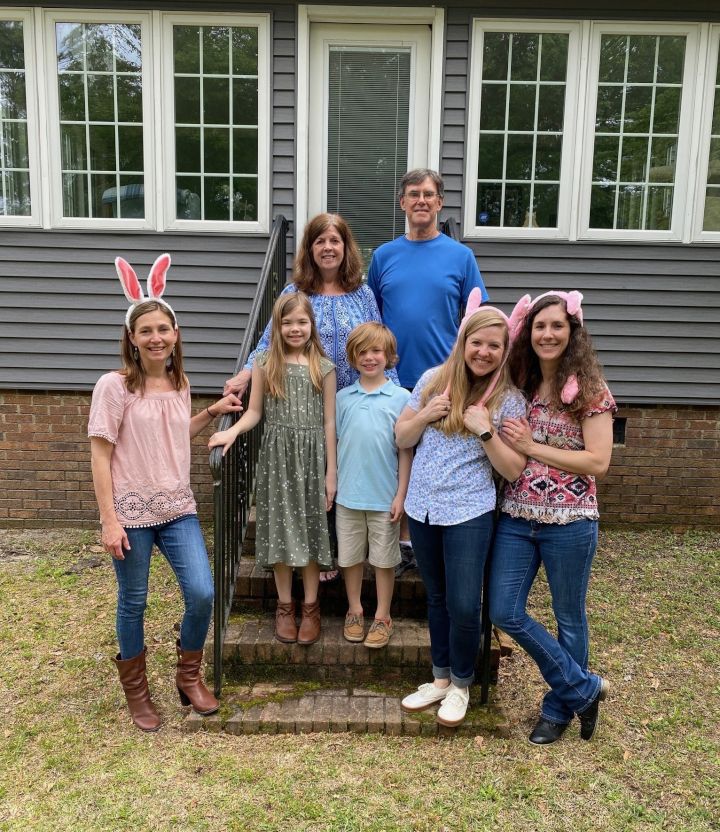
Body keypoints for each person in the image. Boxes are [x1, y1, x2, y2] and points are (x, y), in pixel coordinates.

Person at [89, 254, 242, 732]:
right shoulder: (113, 387)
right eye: (146, 331)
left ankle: (188, 676)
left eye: (163, 329)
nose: (156, 337)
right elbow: (100, 455)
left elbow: (174, 434)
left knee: (202, 591)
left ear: (175, 334)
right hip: (131, 512)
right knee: (133, 600)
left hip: (177, 508)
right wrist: (109, 520)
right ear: (132, 338)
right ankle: (137, 693)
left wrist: (210, 413)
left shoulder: (180, 383)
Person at [224, 212, 397, 583]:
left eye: (335, 241)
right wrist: (246, 373)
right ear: (310, 248)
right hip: (302, 405)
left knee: (342, 471)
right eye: (320, 241)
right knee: (311, 477)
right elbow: (269, 342)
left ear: (346, 247)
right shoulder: (294, 293)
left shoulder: (362, 294)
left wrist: (395, 392)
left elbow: (378, 341)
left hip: (353, 400)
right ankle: (318, 554)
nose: (328, 248)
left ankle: (345, 550)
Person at [489, 290, 616, 745]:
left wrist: (532, 447)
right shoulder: (519, 385)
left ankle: (557, 709)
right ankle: (583, 688)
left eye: (557, 326)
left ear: (572, 332)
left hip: (571, 521)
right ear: (528, 333)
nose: (547, 334)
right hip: (517, 517)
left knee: (569, 618)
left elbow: (598, 461)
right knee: (503, 609)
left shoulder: (590, 391)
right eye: (539, 326)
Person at [395, 294, 526, 727]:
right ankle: (440, 678)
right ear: (463, 341)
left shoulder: (509, 400)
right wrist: (424, 415)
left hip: (469, 512)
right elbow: (401, 437)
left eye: (494, 346)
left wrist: (486, 431)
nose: (484, 352)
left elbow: (512, 469)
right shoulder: (432, 380)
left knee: (465, 604)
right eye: (477, 342)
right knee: (436, 598)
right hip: (423, 508)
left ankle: (462, 684)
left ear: (504, 351)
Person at [368, 169, 489, 570]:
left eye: (428, 194)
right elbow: (372, 316)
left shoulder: (460, 256)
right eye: (413, 194)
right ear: (402, 202)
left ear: (440, 202)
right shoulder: (384, 256)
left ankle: (427, 544)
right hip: (390, 379)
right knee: (394, 459)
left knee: (432, 463)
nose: (421, 200)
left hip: (443, 381)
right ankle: (399, 544)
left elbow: (477, 316)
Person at [209, 292, 336, 646]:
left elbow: (329, 423)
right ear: (277, 327)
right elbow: (254, 412)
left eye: (302, 322)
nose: (295, 329)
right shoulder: (265, 363)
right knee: (281, 529)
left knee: (310, 530)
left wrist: (332, 473)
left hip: (313, 460)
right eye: (287, 323)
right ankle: (284, 606)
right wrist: (232, 432)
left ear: (312, 325)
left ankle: (310, 606)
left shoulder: (324, 368)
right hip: (278, 459)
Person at [335, 323, 412, 649]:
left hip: (384, 497)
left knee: (384, 560)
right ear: (353, 358)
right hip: (348, 496)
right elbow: (335, 442)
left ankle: (382, 616)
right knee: (350, 558)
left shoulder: (402, 398)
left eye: (376, 351)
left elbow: (405, 450)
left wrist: (401, 494)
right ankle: (354, 610)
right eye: (362, 352)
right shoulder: (342, 398)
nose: (369, 357)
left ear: (388, 355)